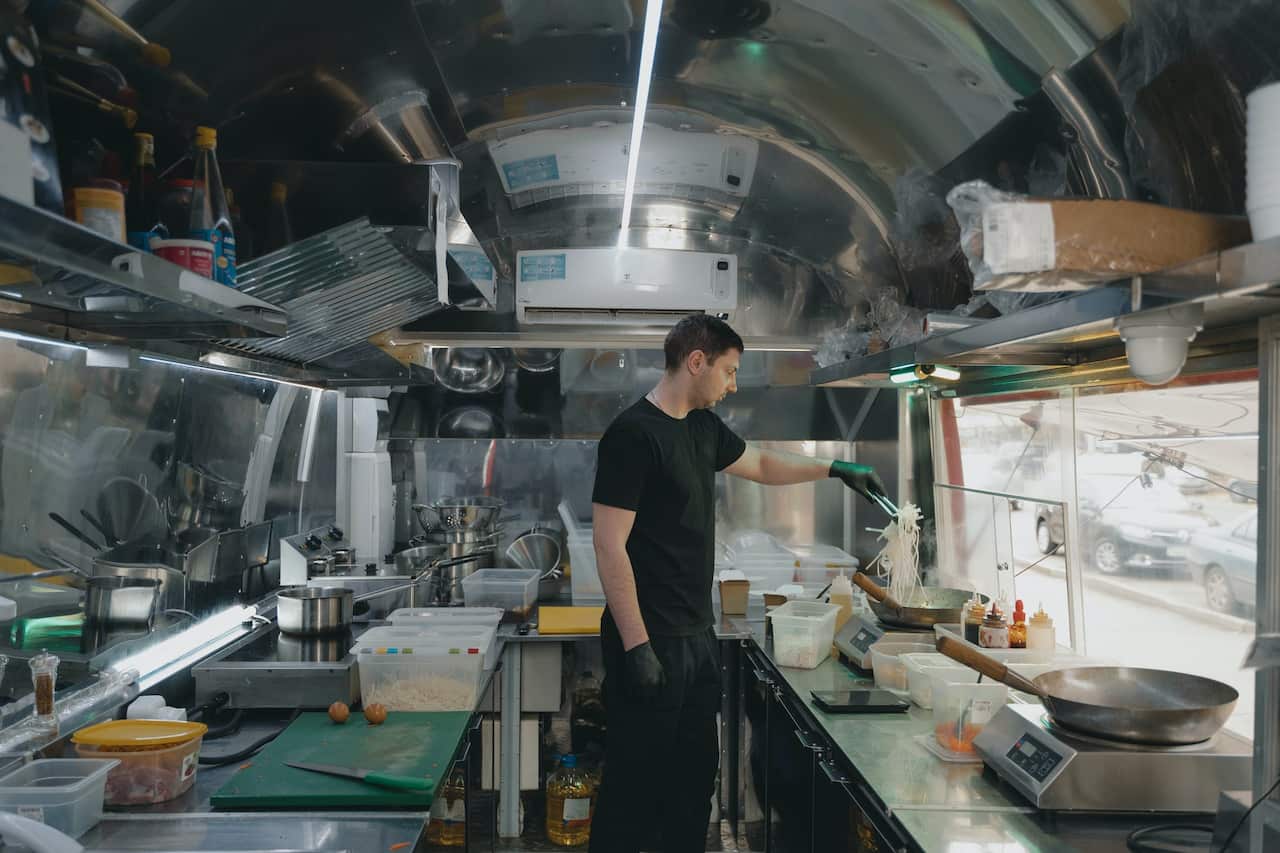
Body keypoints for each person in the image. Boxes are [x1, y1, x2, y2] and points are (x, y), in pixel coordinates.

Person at [589, 315, 886, 853]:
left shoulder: (702, 427)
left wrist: (836, 469)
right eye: (728, 371)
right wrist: (637, 647)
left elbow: (765, 464)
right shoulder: (633, 436)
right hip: (649, 640)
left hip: (696, 635)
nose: (732, 385)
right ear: (695, 362)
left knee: (692, 785)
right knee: (634, 790)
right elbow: (609, 546)